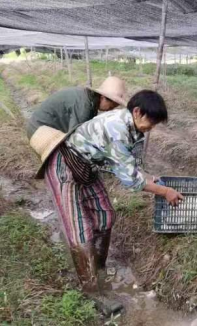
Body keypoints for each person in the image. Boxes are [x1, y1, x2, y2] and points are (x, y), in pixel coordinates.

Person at [29, 90, 183, 315]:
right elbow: (131, 180)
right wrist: (164, 191)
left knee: (106, 215)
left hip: (87, 168)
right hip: (65, 166)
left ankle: (98, 269)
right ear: (137, 112)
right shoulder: (117, 128)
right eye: (152, 122)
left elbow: (131, 166)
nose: (153, 128)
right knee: (80, 231)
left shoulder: (133, 129)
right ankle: (92, 292)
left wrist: (149, 179)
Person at [27, 77, 127, 140]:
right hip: (39, 131)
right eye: (111, 106)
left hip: (44, 127)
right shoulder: (84, 107)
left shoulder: (89, 101)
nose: (110, 110)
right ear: (103, 98)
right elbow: (74, 138)